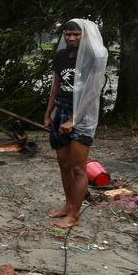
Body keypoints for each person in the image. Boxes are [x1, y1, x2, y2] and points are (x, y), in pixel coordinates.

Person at [43, 19, 108, 228]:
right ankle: (68, 205)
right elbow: (55, 86)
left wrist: (74, 120)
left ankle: (75, 215)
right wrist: (48, 114)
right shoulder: (61, 56)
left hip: (83, 116)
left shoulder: (93, 57)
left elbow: (92, 92)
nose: (71, 38)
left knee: (79, 168)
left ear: (84, 35)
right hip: (61, 111)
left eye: (76, 34)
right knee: (64, 164)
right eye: (68, 34)